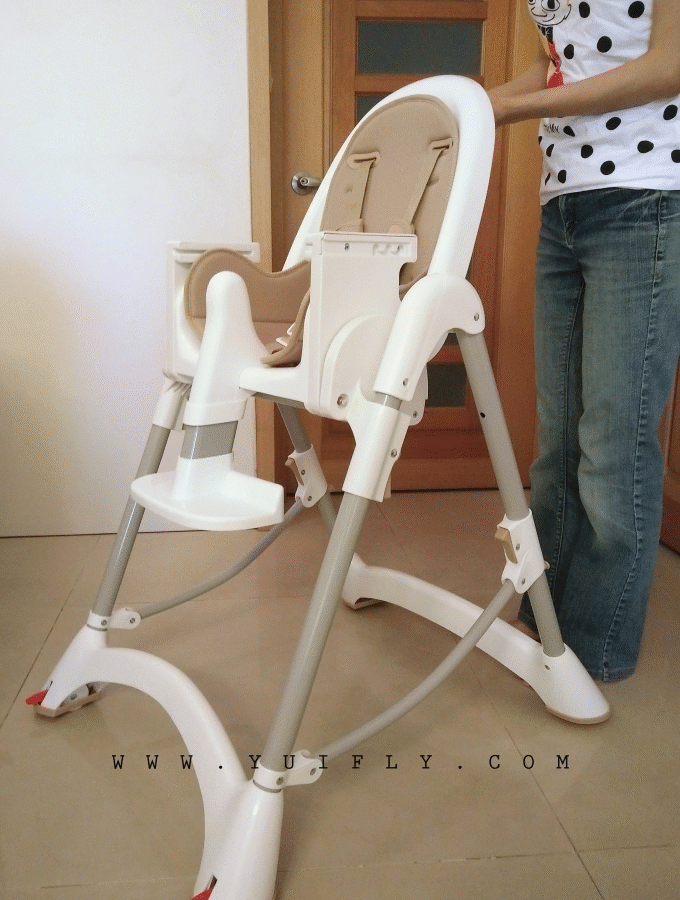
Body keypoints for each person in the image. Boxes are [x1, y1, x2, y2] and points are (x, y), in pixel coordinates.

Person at [488, 0, 680, 681]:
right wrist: (471, 104)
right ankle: (547, 627)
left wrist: (512, 110)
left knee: (612, 445)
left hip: (647, 194)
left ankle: (593, 653)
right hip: (564, 201)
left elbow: (670, 63)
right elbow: (555, 64)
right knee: (559, 442)